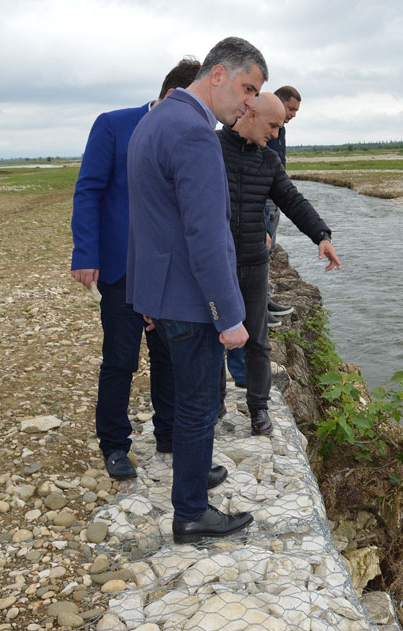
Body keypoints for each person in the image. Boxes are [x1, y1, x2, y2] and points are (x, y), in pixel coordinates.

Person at [126, 36, 267, 544]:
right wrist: (229, 316)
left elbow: (146, 219)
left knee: (185, 400)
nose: (249, 104)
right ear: (218, 75)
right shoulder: (195, 133)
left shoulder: (155, 120)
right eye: (248, 89)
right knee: (198, 405)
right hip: (190, 299)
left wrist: (145, 296)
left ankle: (194, 472)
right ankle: (190, 512)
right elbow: (206, 234)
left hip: (161, 293)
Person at [71, 58, 223, 490]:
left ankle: (172, 439)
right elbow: (89, 189)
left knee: (169, 357)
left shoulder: (191, 133)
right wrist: (85, 252)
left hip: (168, 270)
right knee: (120, 359)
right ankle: (114, 445)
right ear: (175, 94)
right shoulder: (114, 124)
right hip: (121, 267)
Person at [218, 93, 340, 435]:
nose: (276, 134)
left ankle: (259, 408)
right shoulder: (210, 149)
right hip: (215, 263)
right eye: (273, 125)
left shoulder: (268, 161)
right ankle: (213, 406)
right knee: (212, 337)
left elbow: (292, 200)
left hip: (254, 262)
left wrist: (321, 236)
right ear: (251, 114)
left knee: (258, 340)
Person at [264, 86, 302, 324]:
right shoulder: (261, 127)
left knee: (267, 254)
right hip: (262, 199)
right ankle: (258, 308)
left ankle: (265, 300)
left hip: (275, 198)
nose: (293, 115)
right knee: (260, 253)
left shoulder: (281, 130)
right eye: (291, 109)